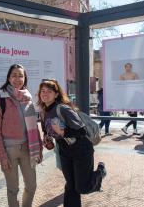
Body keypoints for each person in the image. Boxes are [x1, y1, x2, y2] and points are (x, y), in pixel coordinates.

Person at [37, 79, 106, 207]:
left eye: (49, 91)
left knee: (82, 187)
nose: (45, 94)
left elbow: (81, 130)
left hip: (81, 150)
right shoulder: (43, 112)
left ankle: (101, 171)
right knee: (71, 185)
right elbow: (47, 131)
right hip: (64, 152)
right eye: (43, 91)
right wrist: (48, 141)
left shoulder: (62, 109)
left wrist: (63, 132)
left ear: (56, 94)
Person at [0, 64, 42, 207]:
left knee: (31, 185)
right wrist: (1, 155)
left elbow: (34, 126)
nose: (17, 78)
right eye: (14, 75)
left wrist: (38, 147)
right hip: (9, 151)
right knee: (13, 189)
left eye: (21, 75)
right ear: (8, 78)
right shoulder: (1, 99)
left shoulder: (28, 99)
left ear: (25, 78)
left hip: (28, 148)